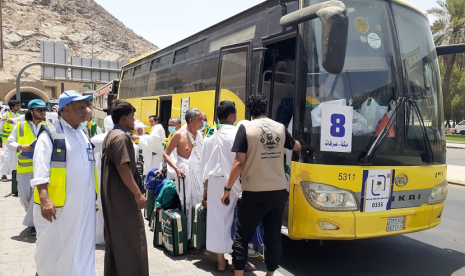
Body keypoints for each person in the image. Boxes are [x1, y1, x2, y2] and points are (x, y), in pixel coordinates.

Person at [221, 94, 301, 276]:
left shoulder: (245, 128)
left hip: (253, 192)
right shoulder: (280, 127)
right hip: (278, 192)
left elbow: (239, 163)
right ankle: (270, 274)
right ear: (266, 109)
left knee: (242, 237)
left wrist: (227, 189)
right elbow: (295, 146)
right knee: (273, 238)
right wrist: (297, 144)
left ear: (249, 112)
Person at [31, 90, 98, 276]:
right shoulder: (50, 135)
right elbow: (40, 169)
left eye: (86, 107)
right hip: (59, 207)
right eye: (81, 108)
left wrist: (92, 198)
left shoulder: (84, 133)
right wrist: (45, 200)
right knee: (53, 247)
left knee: (82, 245)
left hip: (83, 207)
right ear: (66, 109)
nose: (86, 111)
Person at [200, 101, 253, 272]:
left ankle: (220, 261)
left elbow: (204, 168)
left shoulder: (209, 138)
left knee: (216, 222)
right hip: (234, 182)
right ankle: (236, 260)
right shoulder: (239, 134)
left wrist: (205, 191)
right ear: (231, 116)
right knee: (236, 222)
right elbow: (243, 161)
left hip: (215, 182)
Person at [101, 100, 148, 276]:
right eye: (132, 117)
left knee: (117, 238)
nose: (134, 121)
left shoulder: (111, 134)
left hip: (114, 195)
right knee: (132, 240)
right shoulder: (120, 137)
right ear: (123, 118)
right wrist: (138, 194)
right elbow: (123, 167)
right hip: (122, 196)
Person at [163, 108, 204, 249]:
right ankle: (187, 239)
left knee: (200, 206)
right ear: (191, 120)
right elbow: (166, 153)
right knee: (187, 207)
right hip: (185, 177)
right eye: (200, 119)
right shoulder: (179, 135)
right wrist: (177, 169)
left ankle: (198, 237)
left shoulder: (200, 135)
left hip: (199, 177)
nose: (202, 122)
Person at [6, 100, 47, 236]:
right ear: (31, 111)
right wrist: (20, 147)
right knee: (24, 197)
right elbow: (10, 143)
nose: (43, 112)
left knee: (37, 196)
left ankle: (34, 223)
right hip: (24, 168)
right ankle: (34, 218)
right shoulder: (20, 126)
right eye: (39, 109)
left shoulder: (49, 126)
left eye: (44, 109)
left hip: (42, 168)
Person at [0, 100, 23, 182]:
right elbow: (1, 126)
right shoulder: (5, 115)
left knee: (15, 157)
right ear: (12, 107)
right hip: (6, 141)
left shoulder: (18, 116)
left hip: (16, 140)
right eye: (17, 105)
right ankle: (3, 175)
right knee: (5, 156)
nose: (18, 107)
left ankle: (14, 173)